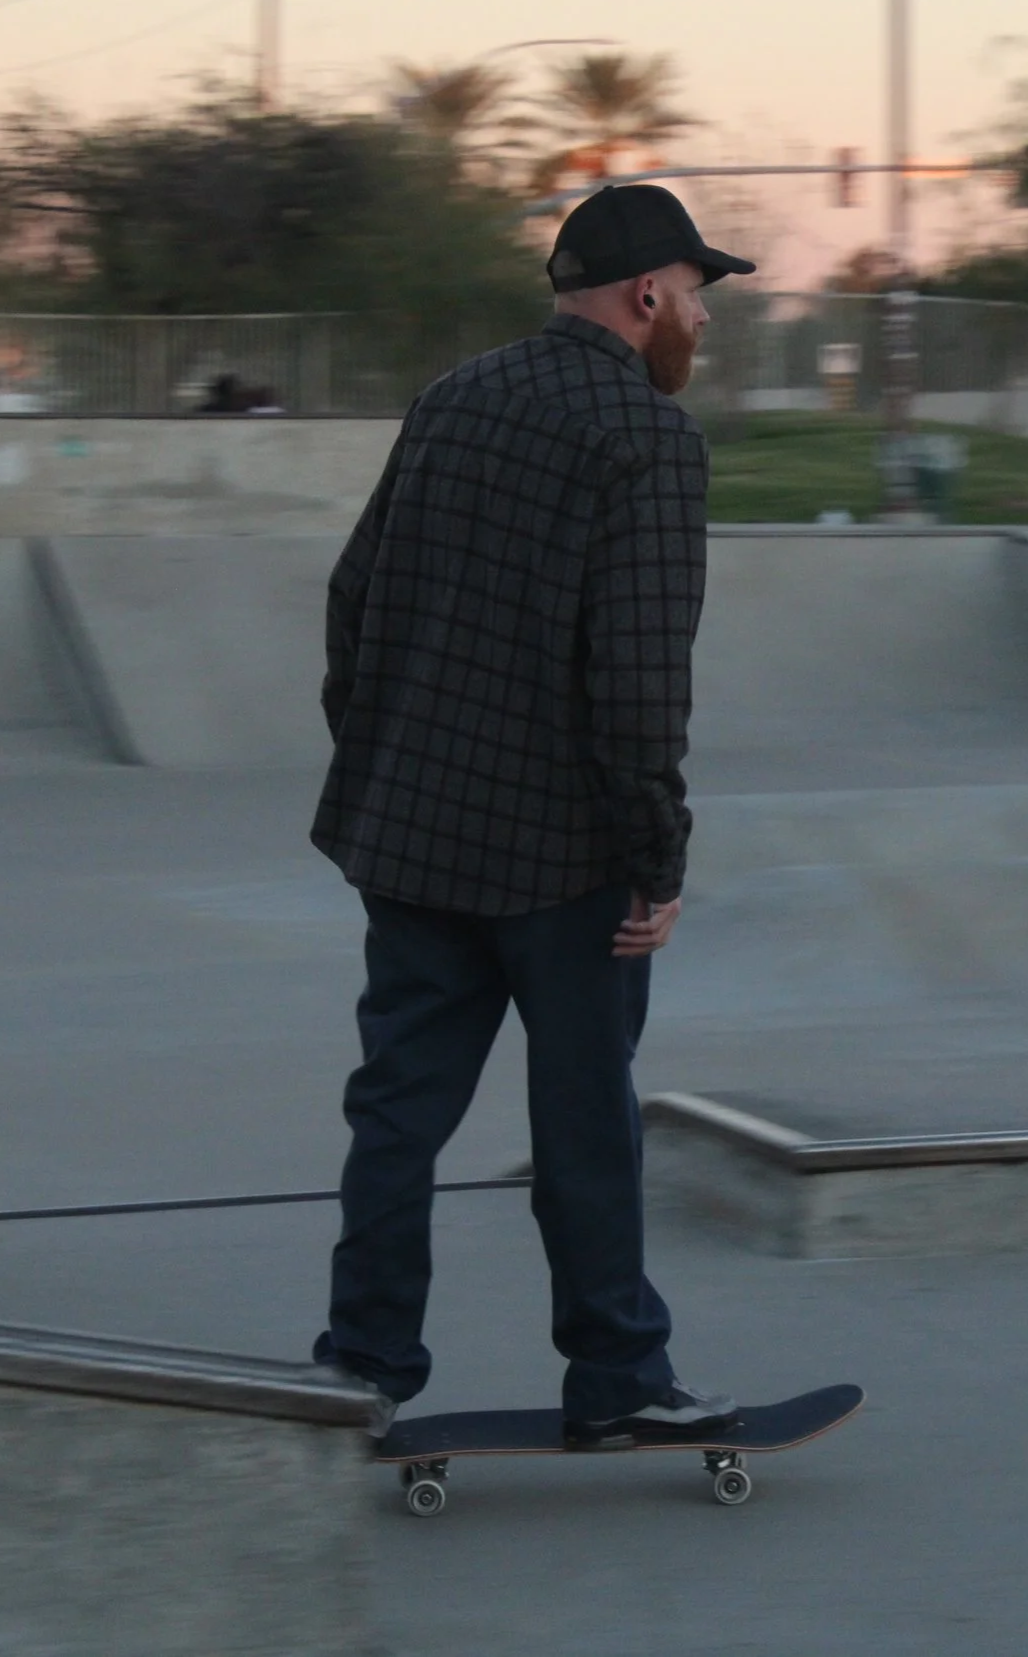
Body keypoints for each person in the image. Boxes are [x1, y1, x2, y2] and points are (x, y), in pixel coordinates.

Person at [307, 184, 757, 1446]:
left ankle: (361, 1366)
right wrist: (655, 859)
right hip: (565, 863)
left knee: (396, 1110)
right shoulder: (645, 436)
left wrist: (386, 757)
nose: (702, 326)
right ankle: (618, 1376)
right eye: (697, 297)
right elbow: (636, 678)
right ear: (647, 295)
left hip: (412, 836)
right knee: (584, 1124)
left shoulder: (456, 395)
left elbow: (353, 598)